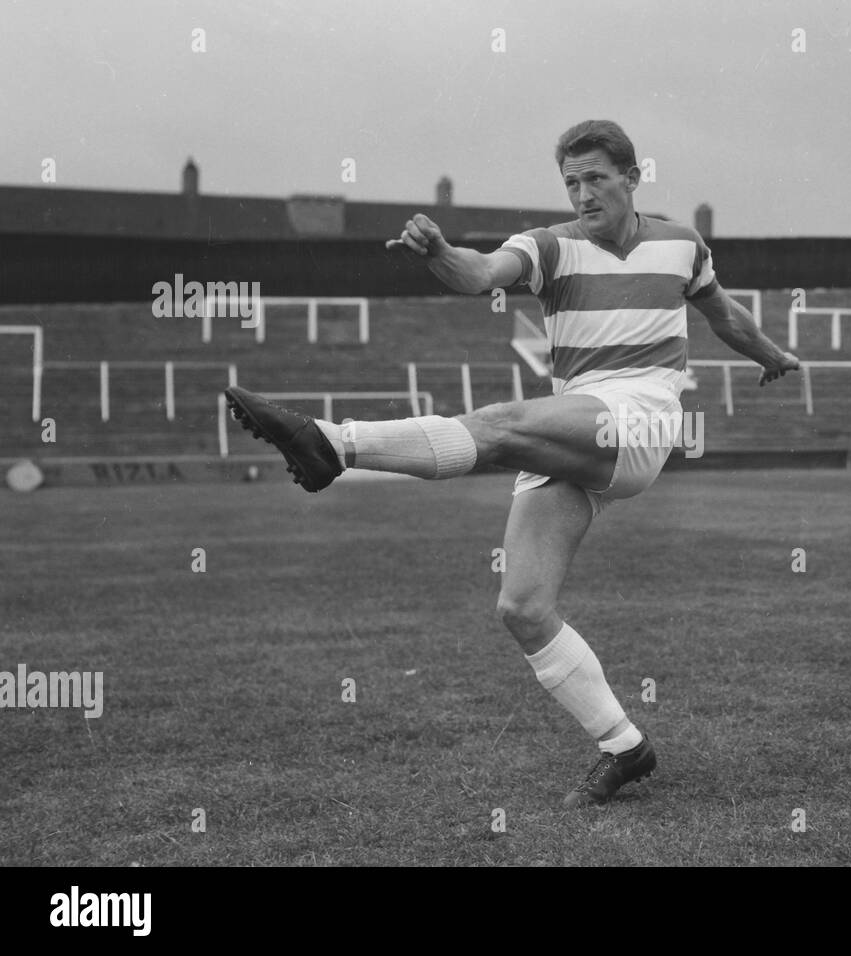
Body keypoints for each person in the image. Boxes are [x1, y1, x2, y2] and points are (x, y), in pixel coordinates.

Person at [224, 120, 800, 807]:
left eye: (594, 179)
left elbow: (722, 312)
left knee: (498, 425)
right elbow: (480, 272)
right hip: (577, 425)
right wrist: (440, 252)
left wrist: (774, 356)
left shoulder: (682, 243)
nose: (582, 194)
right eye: (571, 182)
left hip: (644, 415)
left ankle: (332, 445)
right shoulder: (548, 247)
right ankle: (624, 746)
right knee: (523, 607)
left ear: (632, 177)